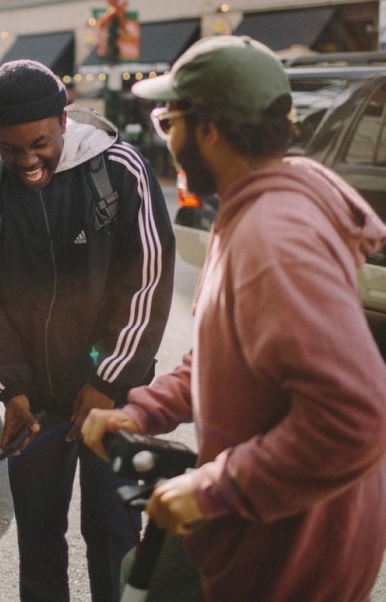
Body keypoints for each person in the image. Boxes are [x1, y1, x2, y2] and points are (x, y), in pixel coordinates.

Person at [82, 34, 386, 602]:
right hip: (277, 537)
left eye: (168, 121)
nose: (166, 139)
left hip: (294, 559)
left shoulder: (274, 241)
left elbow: (355, 417)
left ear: (211, 130)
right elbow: (231, 352)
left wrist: (214, 488)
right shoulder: (254, 210)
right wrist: (145, 411)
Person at [0, 59, 176, 602]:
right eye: (9, 148)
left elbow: (146, 281)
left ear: (64, 119)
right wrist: (10, 390)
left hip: (114, 400)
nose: (27, 160)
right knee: (40, 541)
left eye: (40, 143)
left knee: (117, 535)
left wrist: (107, 380)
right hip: (35, 407)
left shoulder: (120, 170)